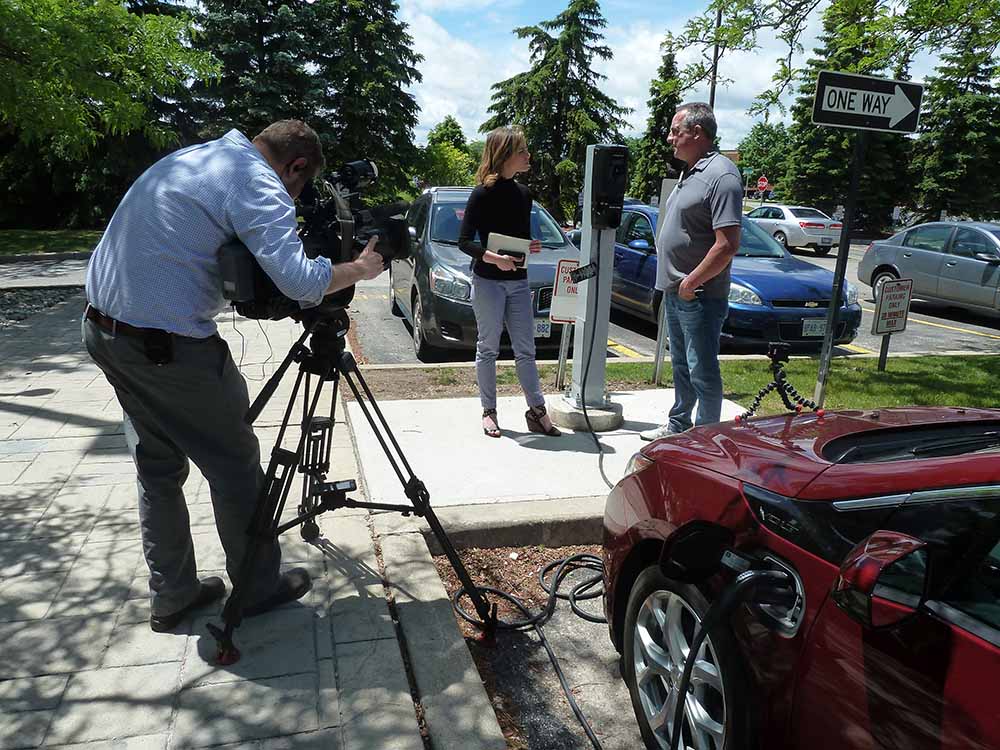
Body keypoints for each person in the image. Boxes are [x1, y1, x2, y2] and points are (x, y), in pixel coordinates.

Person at [83, 120, 384, 632]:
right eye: (300, 186)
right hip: (166, 347)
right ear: (295, 167)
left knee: (158, 467)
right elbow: (299, 281)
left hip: (105, 331)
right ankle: (258, 586)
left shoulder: (198, 159)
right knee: (237, 467)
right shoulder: (255, 179)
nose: (295, 197)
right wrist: (360, 269)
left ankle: (174, 594)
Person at [641, 103, 742, 441]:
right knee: (682, 366)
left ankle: (706, 438)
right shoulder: (693, 171)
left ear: (697, 133)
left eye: (676, 131)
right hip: (677, 291)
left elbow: (727, 245)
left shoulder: (722, 175)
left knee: (702, 369)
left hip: (699, 295)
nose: (670, 138)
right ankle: (679, 425)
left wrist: (690, 282)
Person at [458, 126, 560, 438]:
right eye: (522, 151)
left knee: (526, 350)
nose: (528, 156)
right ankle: (489, 411)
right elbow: (464, 242)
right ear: (504, 155)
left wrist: (530, 246)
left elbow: (516, 237)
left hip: (518, 282)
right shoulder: (481, 194)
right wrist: (493, 258)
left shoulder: (524, 195)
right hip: (488, 280)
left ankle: (537, 411)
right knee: (488, 348)